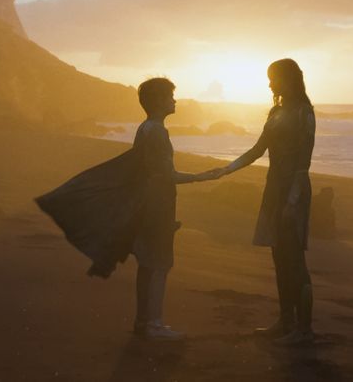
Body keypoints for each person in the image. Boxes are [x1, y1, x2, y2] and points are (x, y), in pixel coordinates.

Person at [36, 78, 218, 341]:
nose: (174, 101)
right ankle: (154, 324)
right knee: (160, 263)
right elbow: (165, 175)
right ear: (158, 101)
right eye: (170, 96)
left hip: (147, 200)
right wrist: (203, 176)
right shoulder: (157, 131)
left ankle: (143, 321)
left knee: (148, 263)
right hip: (157, 203)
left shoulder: (145, 128)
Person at [214, 58, 316, 346]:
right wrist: (226, 169)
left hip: (294, 191)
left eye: (275, 78)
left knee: (295, 259)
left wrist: (293, 201)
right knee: (278, 256)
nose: (270, 84)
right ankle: (285, 320)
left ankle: (304, 329)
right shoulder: (276, 112)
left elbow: (302, 165)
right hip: (273, 189)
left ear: (290, 79)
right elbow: (257, 150)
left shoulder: (304, 113)